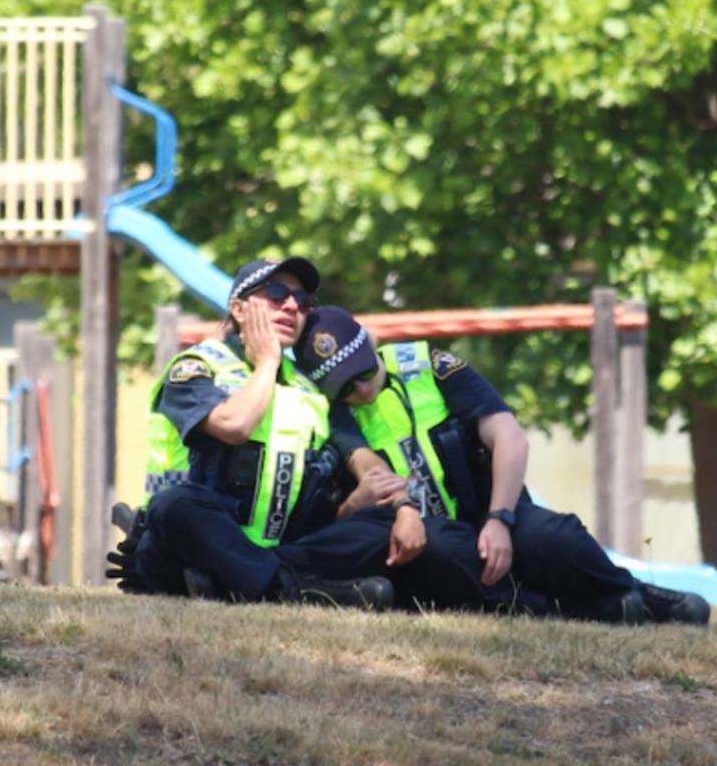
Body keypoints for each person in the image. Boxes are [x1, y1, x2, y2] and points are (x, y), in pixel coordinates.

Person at [107, 258, 503, 612]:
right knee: (177, 505)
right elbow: (234, 425)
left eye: (303, 300)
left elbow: (363, 460)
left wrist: (403, 506)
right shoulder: (197, 367)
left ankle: (244, 586)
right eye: (276, 293)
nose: (293, 306)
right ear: (239, 308)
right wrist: (266, 363)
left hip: (283, 552)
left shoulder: (311, 389)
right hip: (188, 546)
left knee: (382, 527)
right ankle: (297, 592)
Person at [292, 305, 711, 625]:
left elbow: (508, 436)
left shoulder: (429, 366)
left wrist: (499, 519)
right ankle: (576, 609)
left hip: (489, 512)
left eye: (363, 372)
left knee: (553, 535)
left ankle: (634, 592)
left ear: (372, 342)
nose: (362, 389)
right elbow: (369, 469)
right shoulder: (334, 415)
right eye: (344, 387)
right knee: (444, 551)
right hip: (429, 538)